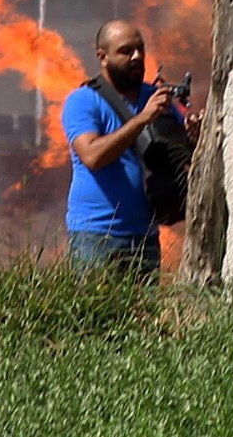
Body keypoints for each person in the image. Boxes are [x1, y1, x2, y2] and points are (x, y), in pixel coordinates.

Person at [60, 18, 194, 277]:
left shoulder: (155, 98)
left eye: (140, 49)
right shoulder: (83, 101)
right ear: (103, 57)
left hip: (145, 236)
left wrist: (196, 137)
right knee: (94, 317)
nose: (136, 57)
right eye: (125, 51)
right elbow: (92, 155)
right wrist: (143, 118)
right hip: (96, 238)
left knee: (142, 317)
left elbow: (179, 155)